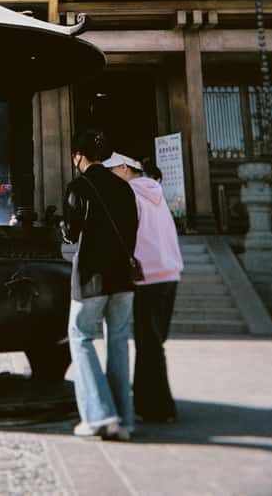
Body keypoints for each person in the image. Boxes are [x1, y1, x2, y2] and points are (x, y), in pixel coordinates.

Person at [62, 130, 138, 441]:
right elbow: (134, 228)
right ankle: (124, 419)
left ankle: (99, 414)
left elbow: (70, 232)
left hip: (92, 276)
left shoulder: (79, 187)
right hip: (123, 276)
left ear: (78, 156)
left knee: (80, 337)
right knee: (118, 343)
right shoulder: (124, 188)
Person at [109, 153, 183, 424]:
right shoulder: (157, 193)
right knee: (153, 342)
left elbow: (125, 235)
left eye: (112, 171)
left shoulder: (129, 194)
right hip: (169, 271)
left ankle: (157, 408)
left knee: (148, 343)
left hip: (147, 274)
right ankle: (151, 403)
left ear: (124, 168)